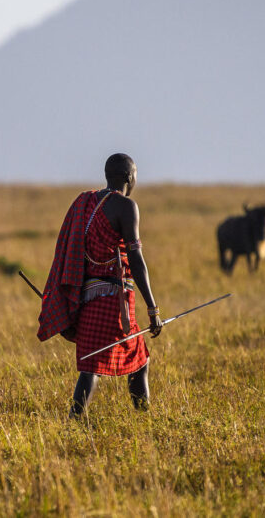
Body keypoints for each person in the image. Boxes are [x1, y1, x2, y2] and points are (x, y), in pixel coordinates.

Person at [37, 153, 163, 418]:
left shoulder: (85, 201)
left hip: (86, 297)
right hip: (114, 301)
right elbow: (136, 260)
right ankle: (136, 419)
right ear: (130, 177)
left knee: (101, 362)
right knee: (132, 361)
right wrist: (153, 308)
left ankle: (80, 419)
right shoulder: (126, 207)